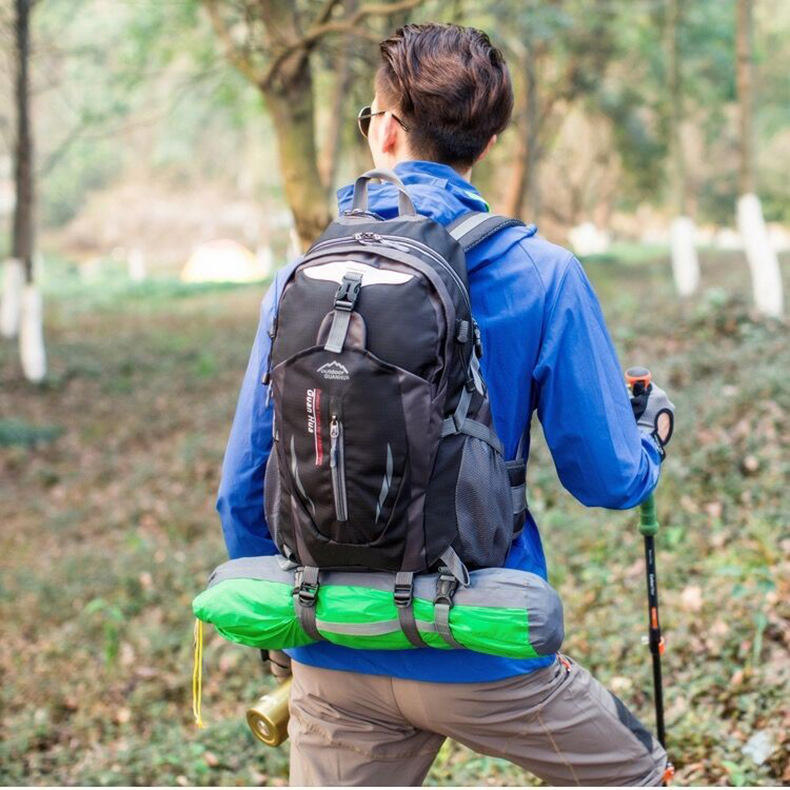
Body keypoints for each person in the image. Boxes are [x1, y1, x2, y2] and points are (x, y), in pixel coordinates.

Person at [217, 22, 676, 787]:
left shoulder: (301, 275)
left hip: (335, 657)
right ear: (486, 146)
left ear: (387, 130)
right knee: (641, 778)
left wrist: (290, 634)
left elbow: (242, 485)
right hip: (484, 646)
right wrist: (651, 433)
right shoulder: (545, 272)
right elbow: (607, 479)